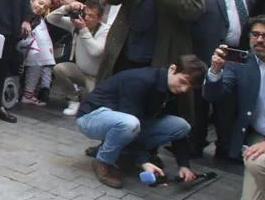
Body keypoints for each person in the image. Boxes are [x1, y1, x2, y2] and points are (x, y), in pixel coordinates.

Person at [76, 56, 205, 188]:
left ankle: (120, 153)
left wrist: (184, 165)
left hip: (124, 122)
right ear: (172, 69)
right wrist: (143, 161)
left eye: (188, 88)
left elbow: (178, 133)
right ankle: (103, 161)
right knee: (130, 123)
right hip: (91, 117)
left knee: (181, 126)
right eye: (182, 82)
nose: (183, 89)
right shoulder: (141, 81)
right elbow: (130, 122)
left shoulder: (170, 88)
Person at [192, 0, 259, 160]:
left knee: (230, 104)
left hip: (239, 55)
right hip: (204, 53)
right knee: (200, 102)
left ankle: (226, 149)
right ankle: (194, 145)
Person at [203, 22, 265, 200]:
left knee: (257, 164)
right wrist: (215, 70)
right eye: (255, 34)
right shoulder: (242, 63)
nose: (260, 40)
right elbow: (214, 94)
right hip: (259, 134)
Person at [46, 0, 108, 116]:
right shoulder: (76, 24)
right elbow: (50, 18)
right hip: (79, 70)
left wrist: (83, 29)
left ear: (99, 19)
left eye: (91, 16)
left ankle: (85, 95)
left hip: (96, 77)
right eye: (85, 14)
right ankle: (74, 99)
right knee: (59, 68)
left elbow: (95, 51)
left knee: (94, 110)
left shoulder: (104, 30)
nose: (86, 18)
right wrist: (67, 8)